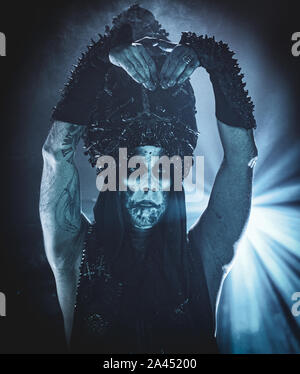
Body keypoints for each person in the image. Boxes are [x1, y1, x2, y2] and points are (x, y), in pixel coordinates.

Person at [39, 5, 257, 353]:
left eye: (159, 175)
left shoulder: (204, 257)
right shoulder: (74, 254)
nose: (147, 186)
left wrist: (214, 59)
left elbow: (242, 161)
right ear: (113, 178)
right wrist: (102, 57)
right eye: (134, 172)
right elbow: (55, 156)